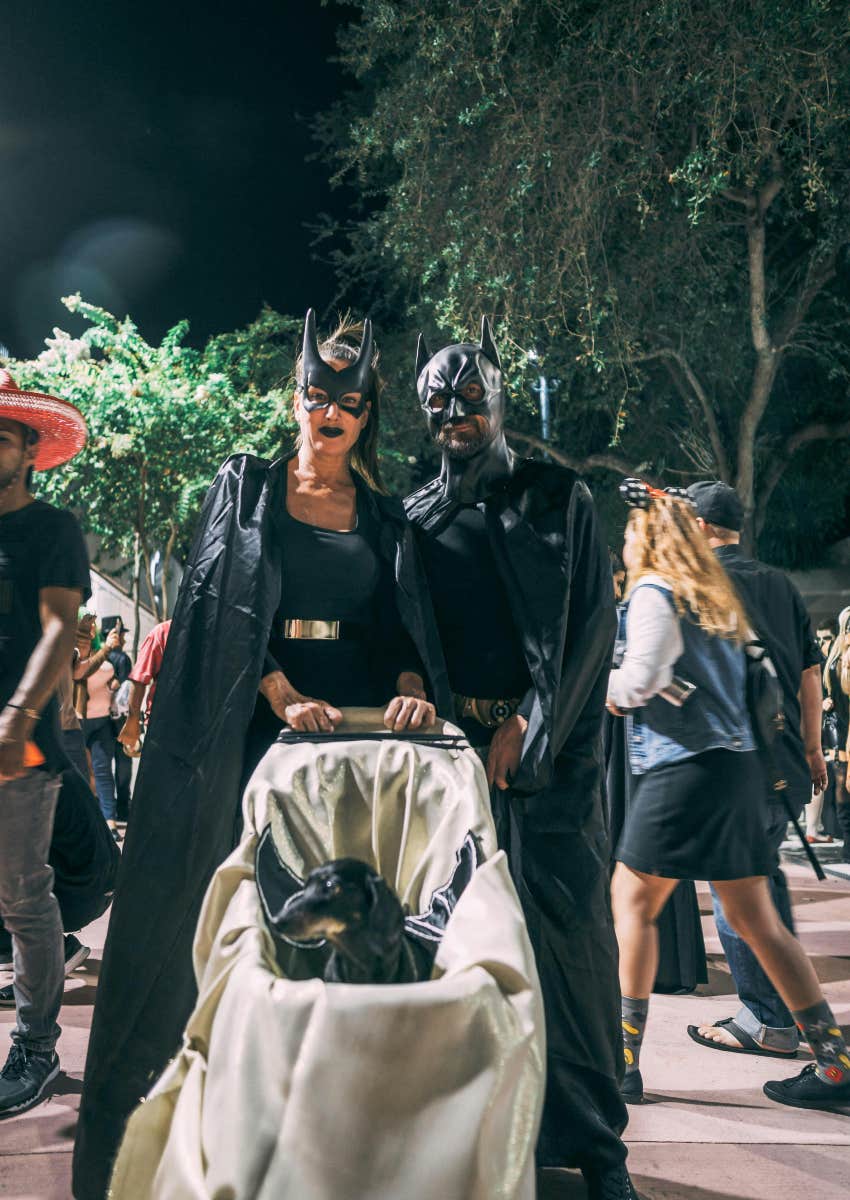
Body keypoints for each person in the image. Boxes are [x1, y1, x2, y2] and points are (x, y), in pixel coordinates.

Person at [74, 311, 450, 1200]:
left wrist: (408, 685)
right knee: (229, 918)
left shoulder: (387, 519)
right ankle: (212, 1111)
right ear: (294, 400)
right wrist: (280, 694)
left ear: (366, 417)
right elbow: (221, 616)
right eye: (315, 396)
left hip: (349, 752)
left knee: (334, 922)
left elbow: (401, 632)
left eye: (345, 404)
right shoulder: (245, 488)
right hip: (249, 743)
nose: (327, 415)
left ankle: (322, 1125)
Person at [405, 321, 634, 1200]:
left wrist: (531, 730)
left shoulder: (557, 497)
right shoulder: (416, 517)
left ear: (500, 399)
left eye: (470, 397)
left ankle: (599, 1152)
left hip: (553, 769)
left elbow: (588, 634)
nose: (455, 412)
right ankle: (494, 1136)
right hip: (453, 772)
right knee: (462, 952)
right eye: (439, 401)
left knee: (570, 953)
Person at [608, 480, 850, 1116]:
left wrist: (597, 684)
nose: (625, 546)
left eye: (631, 535)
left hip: (683, 772)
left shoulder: (657, 591)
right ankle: (833, 1065)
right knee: (756, 919)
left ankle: (621, 1062)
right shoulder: (714, 598)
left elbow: (641, 681)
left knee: (630, 902)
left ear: (651, 539)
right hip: (739, 771)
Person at [683, 481, 827, 1061]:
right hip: (787, 761)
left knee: (735, 896)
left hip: (733, 763)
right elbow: (810, 677)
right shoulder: (782, 585)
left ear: (698, 527)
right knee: (763, 889)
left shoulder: (697, 584)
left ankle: (768, 1020)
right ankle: (795, 1020)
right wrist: (814, 751)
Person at [0, 369, 89, 1118]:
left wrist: (18, 718)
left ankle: (36, 1046)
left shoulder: (51, 531)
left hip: (17, 749)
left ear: (28, 449)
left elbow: (61, 627)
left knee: (23, 899)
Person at [77, 621, 122, 840]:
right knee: (83, 774)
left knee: (103, 772)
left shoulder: (101, 653)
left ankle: (109, 823)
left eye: (93, 625)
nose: (91, 629)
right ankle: (88, 823)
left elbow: (107, 673)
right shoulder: (73, 653)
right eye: (87, 624)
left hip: (102, 721)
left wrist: (114, 682)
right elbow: (81, 672)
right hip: (76, 722)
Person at [116, 618, 171, 757]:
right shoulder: (219, 633)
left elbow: (140, 679)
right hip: (210, 724)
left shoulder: (163, 631)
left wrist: (133, 720)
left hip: (164, 723)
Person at [824, 606, 850, 860]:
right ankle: (848, 840)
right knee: (841, 781)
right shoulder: (835, 650)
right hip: (837, 722)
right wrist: (826, 700)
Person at [105, 620, 133, 819]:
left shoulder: (101, 657)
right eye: (121, 634)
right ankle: (123, 807)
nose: (123, 638)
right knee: (123, 763)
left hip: (100, 718)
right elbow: (127, 691)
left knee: (103, 765)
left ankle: (108, 809)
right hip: (120, 719)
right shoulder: (122, 659)